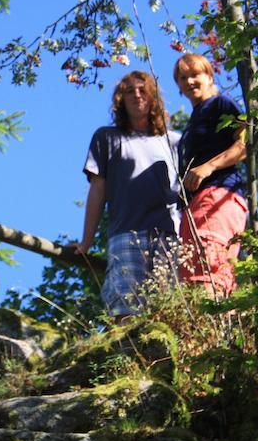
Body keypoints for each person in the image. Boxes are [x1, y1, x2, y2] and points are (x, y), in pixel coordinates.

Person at [73, 70, 181, 320]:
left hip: (169, 235)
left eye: (143, 89)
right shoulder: (107, 137)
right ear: (121, 100)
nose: (137, 95)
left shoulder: (174, 141)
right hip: (126, 233)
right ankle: (126, 358)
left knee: (168, 312)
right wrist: (86, 241)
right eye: (130, 91)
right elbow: (97, 190)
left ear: (154, 96)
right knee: (125, 308)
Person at [173, 53, 248, 298]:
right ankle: (207, 331)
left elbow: (244, 144)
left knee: (208, 266)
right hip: (195, 204)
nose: (189, 82)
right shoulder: (193, 120)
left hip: (218, 195)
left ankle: (212, 322)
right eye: (183, 78)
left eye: (195, 75)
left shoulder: (220, 105)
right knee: (191, 268)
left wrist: (209, 167)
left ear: (208, 76)